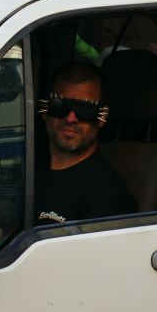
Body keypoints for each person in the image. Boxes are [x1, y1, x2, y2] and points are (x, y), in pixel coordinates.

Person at [35, 62, 136, 225]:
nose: (71, 119)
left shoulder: (108, 197)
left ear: (102, 118)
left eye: (85, 110)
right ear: (45, 110)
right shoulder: (24, 167)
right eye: (60, 105)